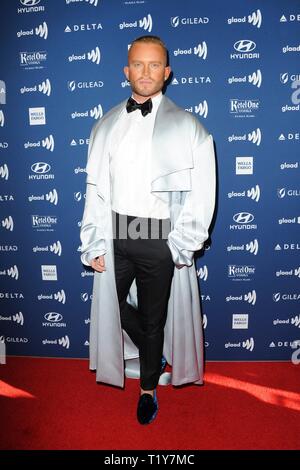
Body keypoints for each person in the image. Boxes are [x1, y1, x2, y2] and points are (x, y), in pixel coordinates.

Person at [80, 35, 216, 425]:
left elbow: (202, 195)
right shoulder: (105, 125)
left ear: (167, 72)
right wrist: (93, 240)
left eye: (154, 65)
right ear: (126, 71)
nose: (145, 72)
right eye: (138, 64)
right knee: (115, 310)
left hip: (159, 238)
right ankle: (152, 354)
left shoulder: (189, 127)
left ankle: (148, 390)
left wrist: (180, 245)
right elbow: (94, 190)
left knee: (155, 319)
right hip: (116, 234)